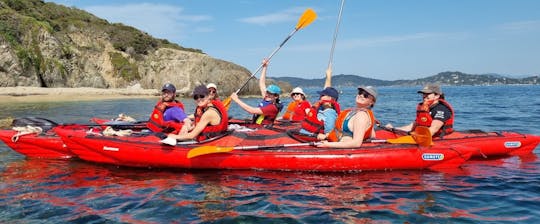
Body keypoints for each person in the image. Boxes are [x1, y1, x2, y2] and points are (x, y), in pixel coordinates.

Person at [385, 83, 454, 137]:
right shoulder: (424, 108)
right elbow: (410, 127)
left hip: (438, 138)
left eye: (428, 94)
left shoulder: (441, 109)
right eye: (423, 93)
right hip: (422, 136)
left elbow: (433, 129)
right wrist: (393, 129)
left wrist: (415, 136)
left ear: (437, 96)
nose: (424, 96)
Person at [230, 59, 283, 125]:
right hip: (256, 126)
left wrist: (236, 100)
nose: (267, 94)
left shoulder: (272, 108)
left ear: (276, 96)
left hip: (263, 130)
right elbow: (261, 83)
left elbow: (251, 110)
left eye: (270, 94)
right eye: (267, 92)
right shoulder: (268, 98)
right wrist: (265, 67)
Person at [299, 68, 341, 140]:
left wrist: (325, 137)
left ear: (330, 99)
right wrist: (328, 76)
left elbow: (329, 131)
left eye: (322, 95)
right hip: (305, 133)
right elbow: (327, 88)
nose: (320, 97)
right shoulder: (322, 108)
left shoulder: (330, 113)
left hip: (313, 136)